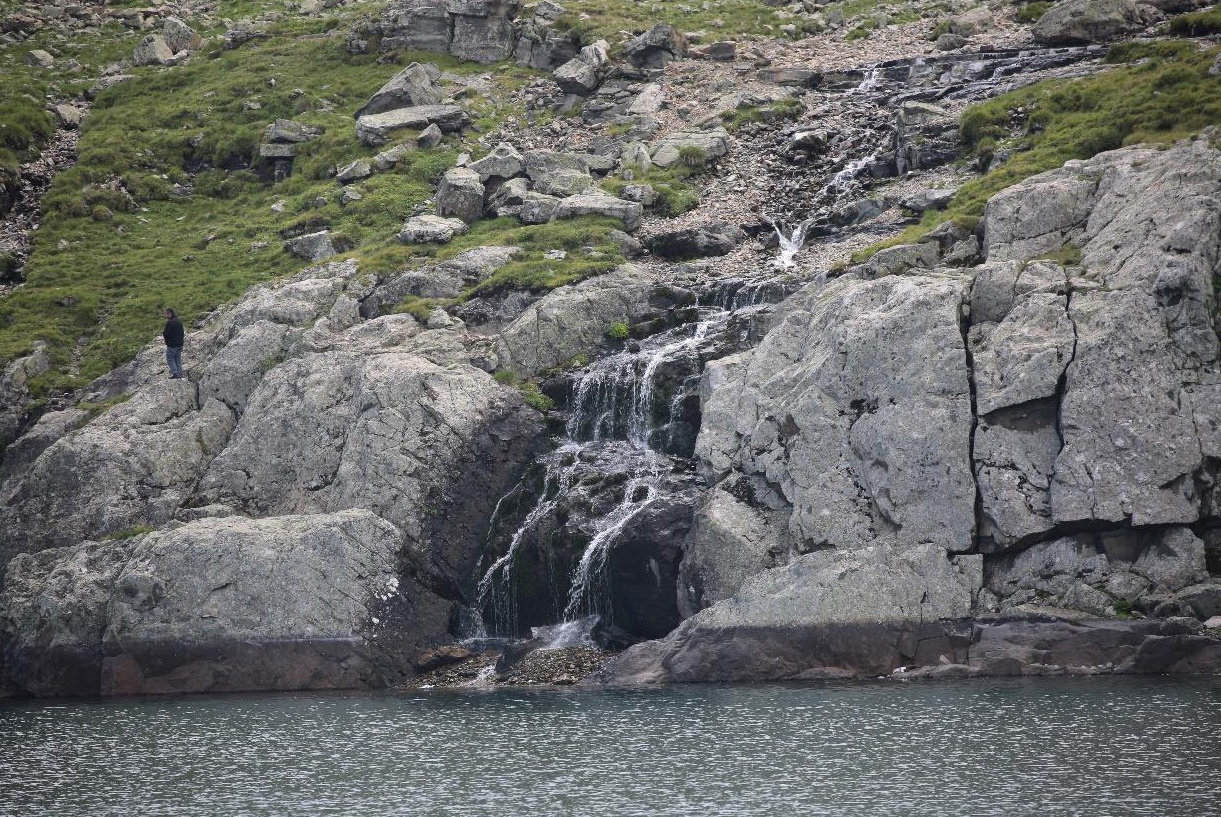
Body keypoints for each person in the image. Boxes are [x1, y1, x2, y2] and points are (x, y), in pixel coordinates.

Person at [163, 308, 185, 379]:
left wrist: (167, 341)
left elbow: (166, 333)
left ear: (169, 313)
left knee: (170, 358)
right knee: (177, 359)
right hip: (180, 344)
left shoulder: (170, 322)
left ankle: (175, 373)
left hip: (172, 345)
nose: (165, 315)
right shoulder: (178, 321)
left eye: (166, 313)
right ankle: (180, 374)